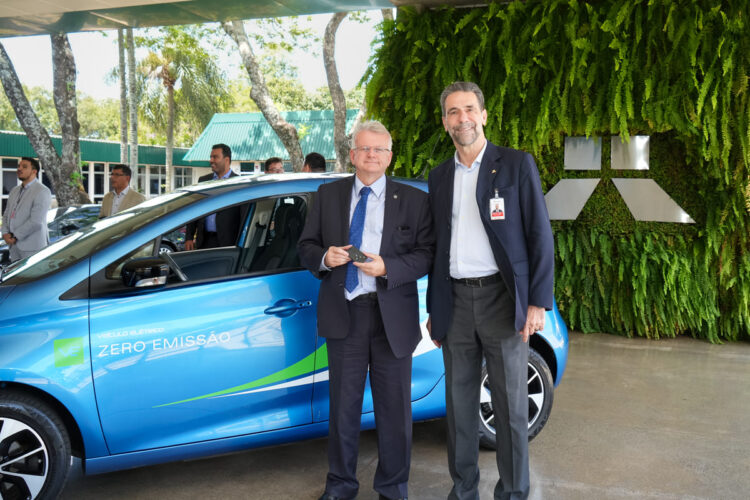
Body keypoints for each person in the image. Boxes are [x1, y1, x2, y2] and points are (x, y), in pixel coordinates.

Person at [427, 82, 554, 500]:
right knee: (460, 410)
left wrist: (537, 301)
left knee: (510, 409)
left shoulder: (516, 165)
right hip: (457, 303)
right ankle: (463, 491)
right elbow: (437, 247)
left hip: (503, 301)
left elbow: (539, 235)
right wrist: (435, 307)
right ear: (445, 122)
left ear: (483, 115)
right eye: (452, 111)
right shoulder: (440, 176)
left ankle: (514, 493)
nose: (461, 118)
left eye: (468, 109)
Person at [298, 120, 434, 500]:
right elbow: (306, 246)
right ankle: (341, 486)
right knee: (343, 408)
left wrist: (387, 266)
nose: (371, 155)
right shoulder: (327, 195)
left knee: (395, 413)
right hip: (346, 314)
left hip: (393, 317)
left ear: (389, 157)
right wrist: (325, 256)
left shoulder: (414, 200)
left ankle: (392, 489)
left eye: (379, 150)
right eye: (365, 149)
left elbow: (426, 255)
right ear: (353, 155)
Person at [184, 144, 241, 250]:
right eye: (211, 157)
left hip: (228, 244)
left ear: (227, 160)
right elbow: (195, 209)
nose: (211, 160)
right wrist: (189, 237)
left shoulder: (239, 183)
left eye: (215, 157)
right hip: (204, 242)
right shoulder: (203, 181)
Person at [1, 157, 52, 262]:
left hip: (33, 247)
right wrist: (5, 233)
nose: (19, 169)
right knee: (17, 278)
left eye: (24, 167)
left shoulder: (42, 191)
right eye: (19, 166)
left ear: (34, 171)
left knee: (34, 278)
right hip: (14, 248)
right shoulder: (14, 190)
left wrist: (15, 236)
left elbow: (36, 221)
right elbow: (6, 214)